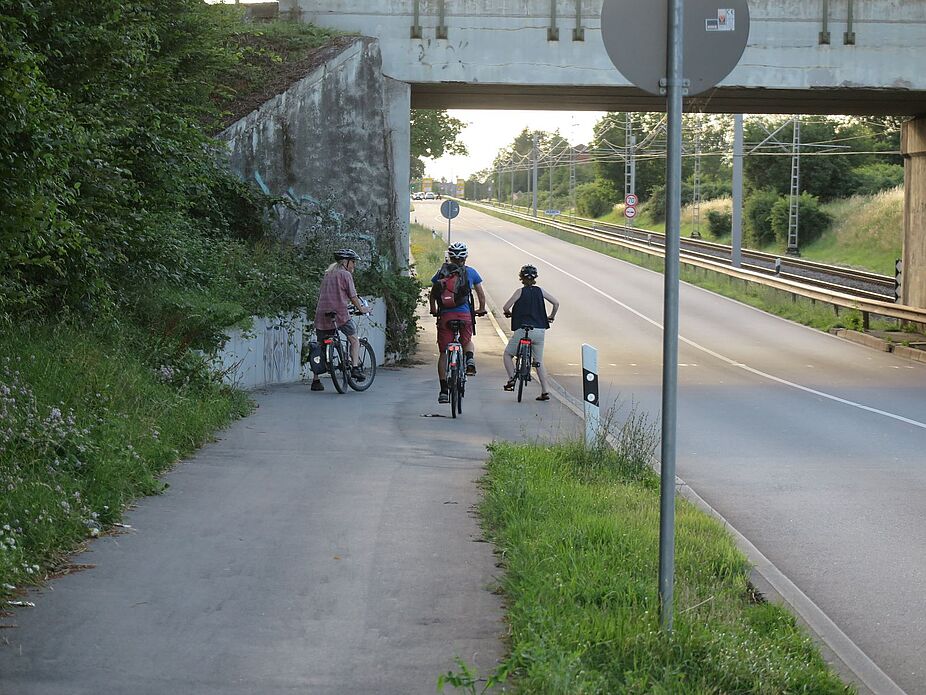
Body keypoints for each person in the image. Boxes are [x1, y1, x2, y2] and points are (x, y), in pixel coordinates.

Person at [430, 242, 487, 404]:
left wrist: (433, 309)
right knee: (466, 341)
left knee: (443, 353)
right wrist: (481, 309)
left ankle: (443, 391)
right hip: (464, 315)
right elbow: (481, 295)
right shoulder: (471, 272)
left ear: (450, 257)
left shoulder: (441, 273)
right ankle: (469, 359)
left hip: (445, 316)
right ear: (465, 257)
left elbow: (433, 294)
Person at [310, 248, 371, 392]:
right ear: (346, 262)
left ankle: (316, 380)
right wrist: (362, 309)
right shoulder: (345, 274)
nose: (354, 266)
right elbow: (353, 296)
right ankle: (355, 368)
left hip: (322, 314)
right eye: (353, 262)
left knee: (320, 346)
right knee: (354, 339)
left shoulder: (327, 274)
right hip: (340, 313)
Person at [502, 264, 559, 401]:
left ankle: (511, 378)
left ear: (521, 278)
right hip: (539, 330)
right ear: (535, 278)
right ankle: (545, 390)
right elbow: (556, 303)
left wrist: (508, 313)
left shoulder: (519, 292)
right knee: (538, 361)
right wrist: (551, 316)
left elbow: (506, 307)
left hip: (522, 329)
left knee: (508, 354)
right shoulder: (540, 291)